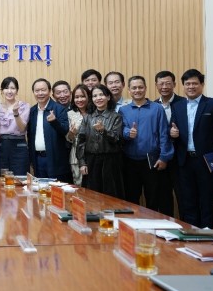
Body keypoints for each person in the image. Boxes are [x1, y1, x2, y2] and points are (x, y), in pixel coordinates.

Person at [170, 69, 213, 228]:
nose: (191, 86)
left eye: (195, 83)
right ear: (183, 86)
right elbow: (172, 128)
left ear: (202, 84)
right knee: (188, 201)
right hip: (184, 161)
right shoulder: (177, 106)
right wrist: (172, 133)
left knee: (207, 200)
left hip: (206, 161)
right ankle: (191, 234)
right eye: (187, 84)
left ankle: (208, 235)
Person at [119, 76, 174, 215]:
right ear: (129, 90)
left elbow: (163, 134)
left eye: (140, 87)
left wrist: (164, 157)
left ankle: (152, 225)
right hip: (129, 161)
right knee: (131, 198)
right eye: (134, 88)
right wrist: (128, 133)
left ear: (145, 88)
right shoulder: (123, 110)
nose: (137, 90)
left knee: (153, 198)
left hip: (152, 161)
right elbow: (121, 129)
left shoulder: (157, 108)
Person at [76, 84, 124, 198]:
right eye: (95, 96)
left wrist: (104, 131)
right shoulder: (88, 117)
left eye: (101, 95)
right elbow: (81, 141)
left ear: (108, 97)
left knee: (111, 196)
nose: (98, 98)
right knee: (91, 196)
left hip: (110, 161)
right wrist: (82, 163)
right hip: (91, 161)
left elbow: (117, 139)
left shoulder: (116, 117)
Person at [26, 78, 71, 182]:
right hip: (37, 159)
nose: (40, 93)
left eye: (43, 90)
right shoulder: (32, 111)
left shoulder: (59, 109)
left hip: (55, 159)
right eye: (37, 91)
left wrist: (54, 121)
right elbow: (30, 136)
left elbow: (65, 131)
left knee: (56, 189)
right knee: (40, 189)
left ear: (50, 91)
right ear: (33, 92)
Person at [154, 70, 185, 217]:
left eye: (168, 83)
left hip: (180, 157)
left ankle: (186, 225)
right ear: (156, 85)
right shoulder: (153, 105)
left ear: (174, 84)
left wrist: (179, 133)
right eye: (161, 84)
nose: (164, 87)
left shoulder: (184, 103)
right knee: (163, 196)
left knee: (183, 195)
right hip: (161, 157)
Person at [0, 77, 29, 175]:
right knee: (3, 178)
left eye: (13, 88)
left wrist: (16, 113)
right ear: (2, 91)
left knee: (20, 178)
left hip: (19, 145)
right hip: (2, 146)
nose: (9, 91)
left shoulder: (24, 106)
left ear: (17, 91)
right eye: (6, 88)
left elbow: (22, 128)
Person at [66, 84, 93, 186]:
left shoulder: (95, 112)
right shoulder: (70, 114)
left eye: (82, 96)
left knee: (93, 187)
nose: (79, 100)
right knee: (78, 186)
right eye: (76, 97)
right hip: (75, 156)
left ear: (88, 97)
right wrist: (72, 133)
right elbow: (69, 139)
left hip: (93, 154)